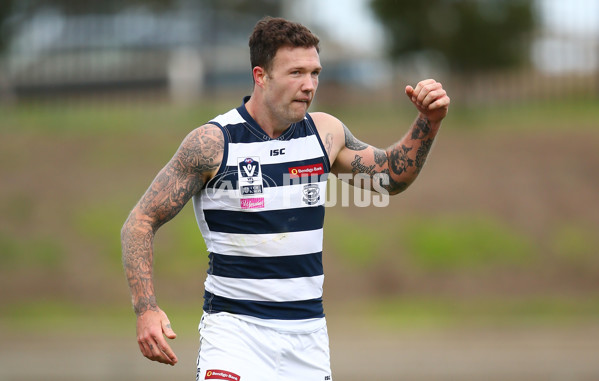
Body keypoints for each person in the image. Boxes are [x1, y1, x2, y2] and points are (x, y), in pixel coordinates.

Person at [121, 16, 450, 381]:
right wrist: (145, 309)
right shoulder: (213, 144)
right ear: (261, 76)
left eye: (315, 73)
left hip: (307, 340)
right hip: (235, 335)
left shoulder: (325, 133)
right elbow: (140, 221)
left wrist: (428, 121)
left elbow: (390, 177)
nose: (309, 85)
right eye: (296, 73)